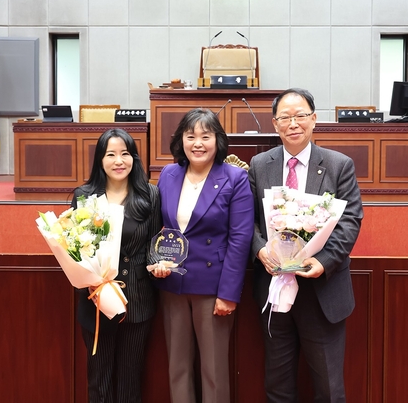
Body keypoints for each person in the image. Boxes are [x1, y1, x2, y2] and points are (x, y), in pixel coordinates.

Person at [247, 88, 364, 403]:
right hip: (274, 290)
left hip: (320, 294)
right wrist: (260, 249)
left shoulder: (339, 165)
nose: (292, 123)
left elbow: (350, 221)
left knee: (328, 388)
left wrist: (323, 261)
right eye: (285, 117)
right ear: (275, 124)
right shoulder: (259, 165)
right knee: (278, 386)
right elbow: (249, 221)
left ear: (314, 120)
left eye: (300, 116)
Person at [151, 108, 254, 403]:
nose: (198, 143)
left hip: (213, 288)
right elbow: (161, 229)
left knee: (214, 371)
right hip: (173, 285)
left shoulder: (234, 178)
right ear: (181, 140)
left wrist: (229, 293)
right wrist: (156, 261)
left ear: (217, 140)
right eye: (190, 135)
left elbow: (240, 239)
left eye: (205, 136)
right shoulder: (170, 174)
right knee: (177, 368)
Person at [71, 128, 162, 403]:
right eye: (111, 154)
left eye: (125, 153)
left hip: (137, 299)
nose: (118, 161)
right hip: (96, 301)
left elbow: (154, 245)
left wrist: (159, 265)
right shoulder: (84, 196)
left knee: (130, 382)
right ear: (100, 159)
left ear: (134, 158)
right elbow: (75, 249)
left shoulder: (150, 195)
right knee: (98, 381)